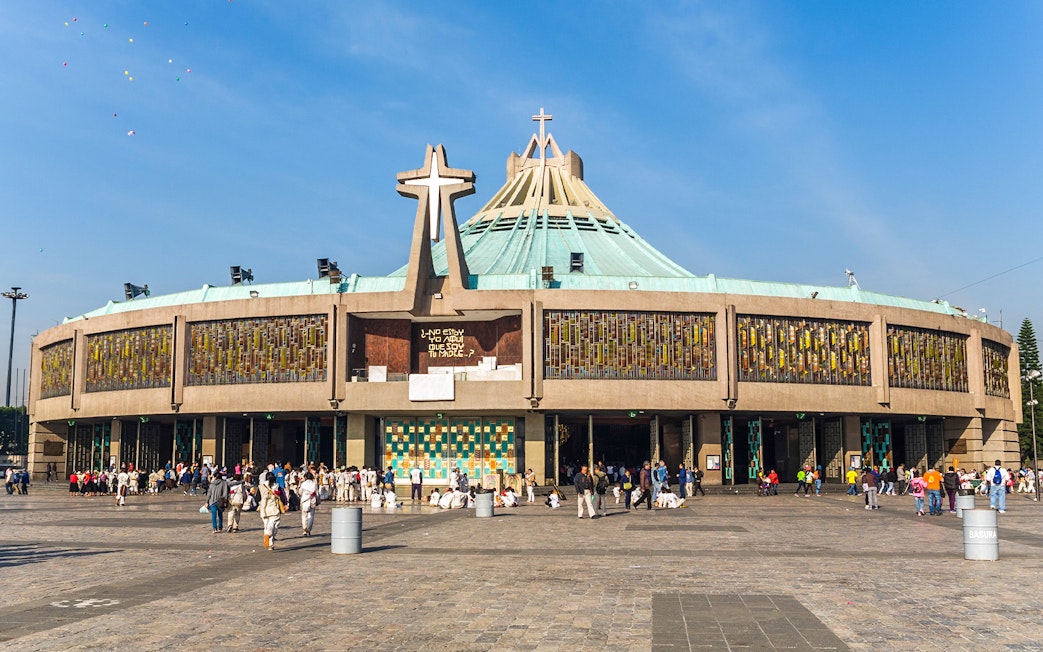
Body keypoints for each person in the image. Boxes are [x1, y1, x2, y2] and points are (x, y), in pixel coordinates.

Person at [258, 476, 284, 550]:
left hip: (264, 508)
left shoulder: (261, 486)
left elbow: (257, 497)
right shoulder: (277, 487)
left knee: (266, 525)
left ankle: (270, 543)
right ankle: (269, 536)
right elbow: (282, 496)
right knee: (273, 524)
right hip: (273, 508)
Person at [298, 471, 319, 536]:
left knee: (304, 515)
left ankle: (304, 529)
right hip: (312, 500)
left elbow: (300, 492)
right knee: (311, 515)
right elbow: (317, 494)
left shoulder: (303, 484)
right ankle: (308, 529)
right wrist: (318, 501)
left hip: (304, 500)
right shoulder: (314, 484)